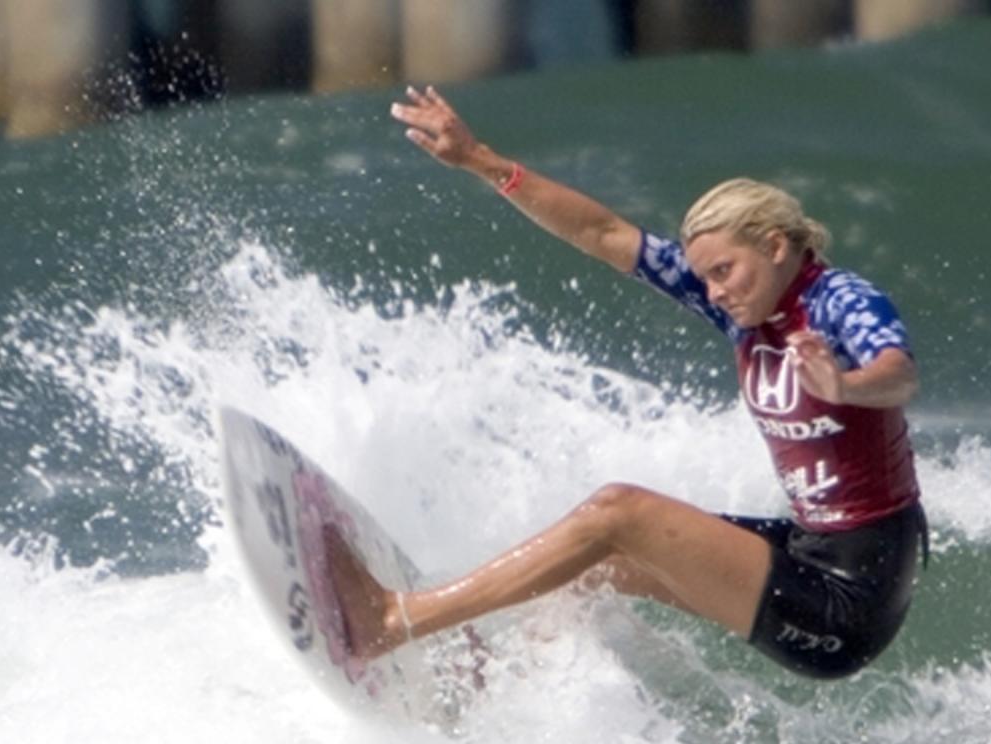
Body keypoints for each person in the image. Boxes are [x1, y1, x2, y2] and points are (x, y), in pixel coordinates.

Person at [327, 85, 928, 681]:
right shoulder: (741, 308)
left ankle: (396, 619)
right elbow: (605, 234)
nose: (715, 291)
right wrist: (479, 158)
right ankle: (492, 684)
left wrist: (843, 385)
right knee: (589, 565)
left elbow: (898, 375)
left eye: (725, 271)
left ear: (775, 246)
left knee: (618, 512)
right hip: (806, 547)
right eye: (706, 278)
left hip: (848, 599)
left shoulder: (840, 301)